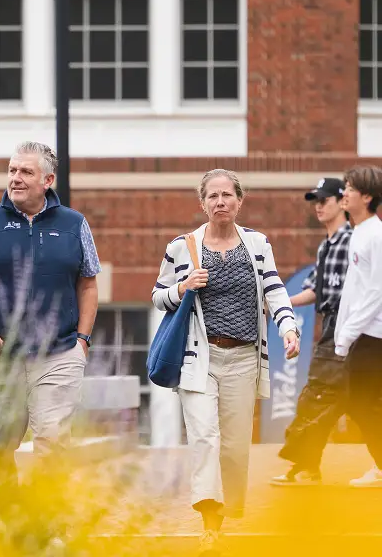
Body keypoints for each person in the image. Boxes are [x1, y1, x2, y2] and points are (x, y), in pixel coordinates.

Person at [152, 169, 300, 555]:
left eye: (227, 195)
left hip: (244, 358)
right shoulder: (182, 246)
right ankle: (210, 521)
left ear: (239, 200)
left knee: (234, 447)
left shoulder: (256, 243)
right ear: (202, 203)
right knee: (204, 437)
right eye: (213, 196)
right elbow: (157, 296)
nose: (220, 202)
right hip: (198, 357)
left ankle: (227, 509)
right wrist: (183, 287)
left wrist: (288, 327)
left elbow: (273, 287)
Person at [0, 141, 101, 476]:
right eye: (12, 170)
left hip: (59, 353)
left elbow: (89, 284)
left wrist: (82, 341)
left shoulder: (74, 224)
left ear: (47, 181)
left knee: (53, 442)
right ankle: (3, 521)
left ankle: (48, 524)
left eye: (25, 172)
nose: (15, 178)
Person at [271, 178, 352, 485]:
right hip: (334, 329)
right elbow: (314, 290)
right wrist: (280, 303)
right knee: (359, 402)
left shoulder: (353, 242)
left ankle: (306, 468)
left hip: (348, 332)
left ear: (342, 202)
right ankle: (307, 466)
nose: (319, 206)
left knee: (318, 399)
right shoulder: (326, 246)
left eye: (325, 200)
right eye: (316, 201)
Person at [334, 165, 382, 487]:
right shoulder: (359, 233)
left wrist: (348, 334)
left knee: (360, 401)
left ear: (367, 197)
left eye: (350, 188)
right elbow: (355, 289)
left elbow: (377, 289)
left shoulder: (375, 235)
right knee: (362, 401)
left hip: (373, 335)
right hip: (363, 334)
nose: (344, 193)